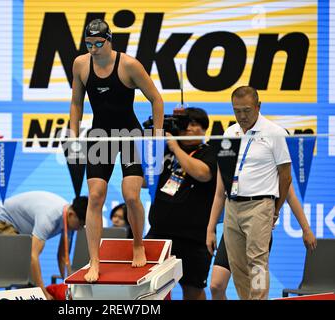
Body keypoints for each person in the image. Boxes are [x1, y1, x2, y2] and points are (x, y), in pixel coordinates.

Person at [69, 18, 164, 282]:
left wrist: (155, 137)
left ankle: (137, 244)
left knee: (131, 195)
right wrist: (73, 134)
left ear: (110, 40)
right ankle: (94, 261)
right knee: (95, 195)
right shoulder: (80, 64)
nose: (93, 49)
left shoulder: (129, 65)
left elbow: (156, 99)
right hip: (100, 136)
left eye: (98, 43)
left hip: (129, 135)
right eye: (89, 43)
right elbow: (76, 102)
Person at [206, 86, 292, 300]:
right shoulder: (229, 133)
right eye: (237, 111)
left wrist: (275, 209)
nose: (242, 116)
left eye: (247, 110)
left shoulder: (275, 133)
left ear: (258, 106)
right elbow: (222, 183)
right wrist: (210, 226)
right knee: (237, 264)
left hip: (259, 205)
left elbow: (286, 177)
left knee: (257, 263)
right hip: (232, 205)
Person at [146, 107, 217, 300]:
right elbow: (145, 181)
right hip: (159, 233)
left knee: (193, 290)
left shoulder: (209, 152)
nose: (189, 129)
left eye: (195, 124)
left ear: (204, 129)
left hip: (193, 237)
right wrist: (151, 147)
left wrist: (175, 148)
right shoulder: (163, 152)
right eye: (185, 125)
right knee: (147, 286)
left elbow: (203, 174)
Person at [208, 184, 317, 300]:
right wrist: (210, 229)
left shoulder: (272, 167)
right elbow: (220, 194)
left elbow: (290, 196)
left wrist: (306, 229)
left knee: (253, 291)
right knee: (217, 285)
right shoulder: (235, 166)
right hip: (234, 228)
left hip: (258, 231)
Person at [0, 191, 88, 300]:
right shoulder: (49, 217)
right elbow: (33, 256)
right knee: (26, 274)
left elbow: (63, 256)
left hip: (18, 229)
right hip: (0, 222)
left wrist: (69, 287)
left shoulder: (70, 221)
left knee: (29, 279)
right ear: (72, 215)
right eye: (81, 224)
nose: (81, 228)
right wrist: (43, 292)